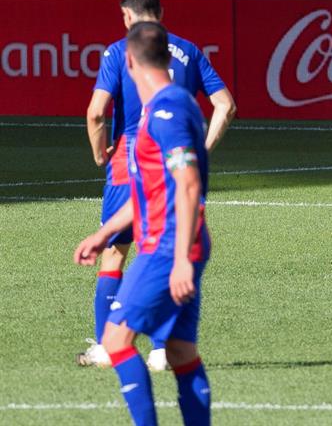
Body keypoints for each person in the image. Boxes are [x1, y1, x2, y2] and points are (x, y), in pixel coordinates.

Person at [80, 0, 235, 370]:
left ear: (127, 15)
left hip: (129, 158)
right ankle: (165, 348)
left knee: (115, 252)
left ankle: (105, 345)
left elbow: (97, 111)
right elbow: (226, 105)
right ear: (162, 13)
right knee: (164, 249)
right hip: (173, 160)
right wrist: (202, 149)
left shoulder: (121, 52)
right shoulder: (187, 50)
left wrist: (100, 153)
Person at [75, 21, 215, 426]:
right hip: (177, 241)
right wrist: (104, 233)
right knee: (179, 351)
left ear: (130, 62)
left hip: (169, 246)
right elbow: (153, 192)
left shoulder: (167, 110)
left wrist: (182, 260)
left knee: (117, 341)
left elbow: (187, 186)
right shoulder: (172, 103)